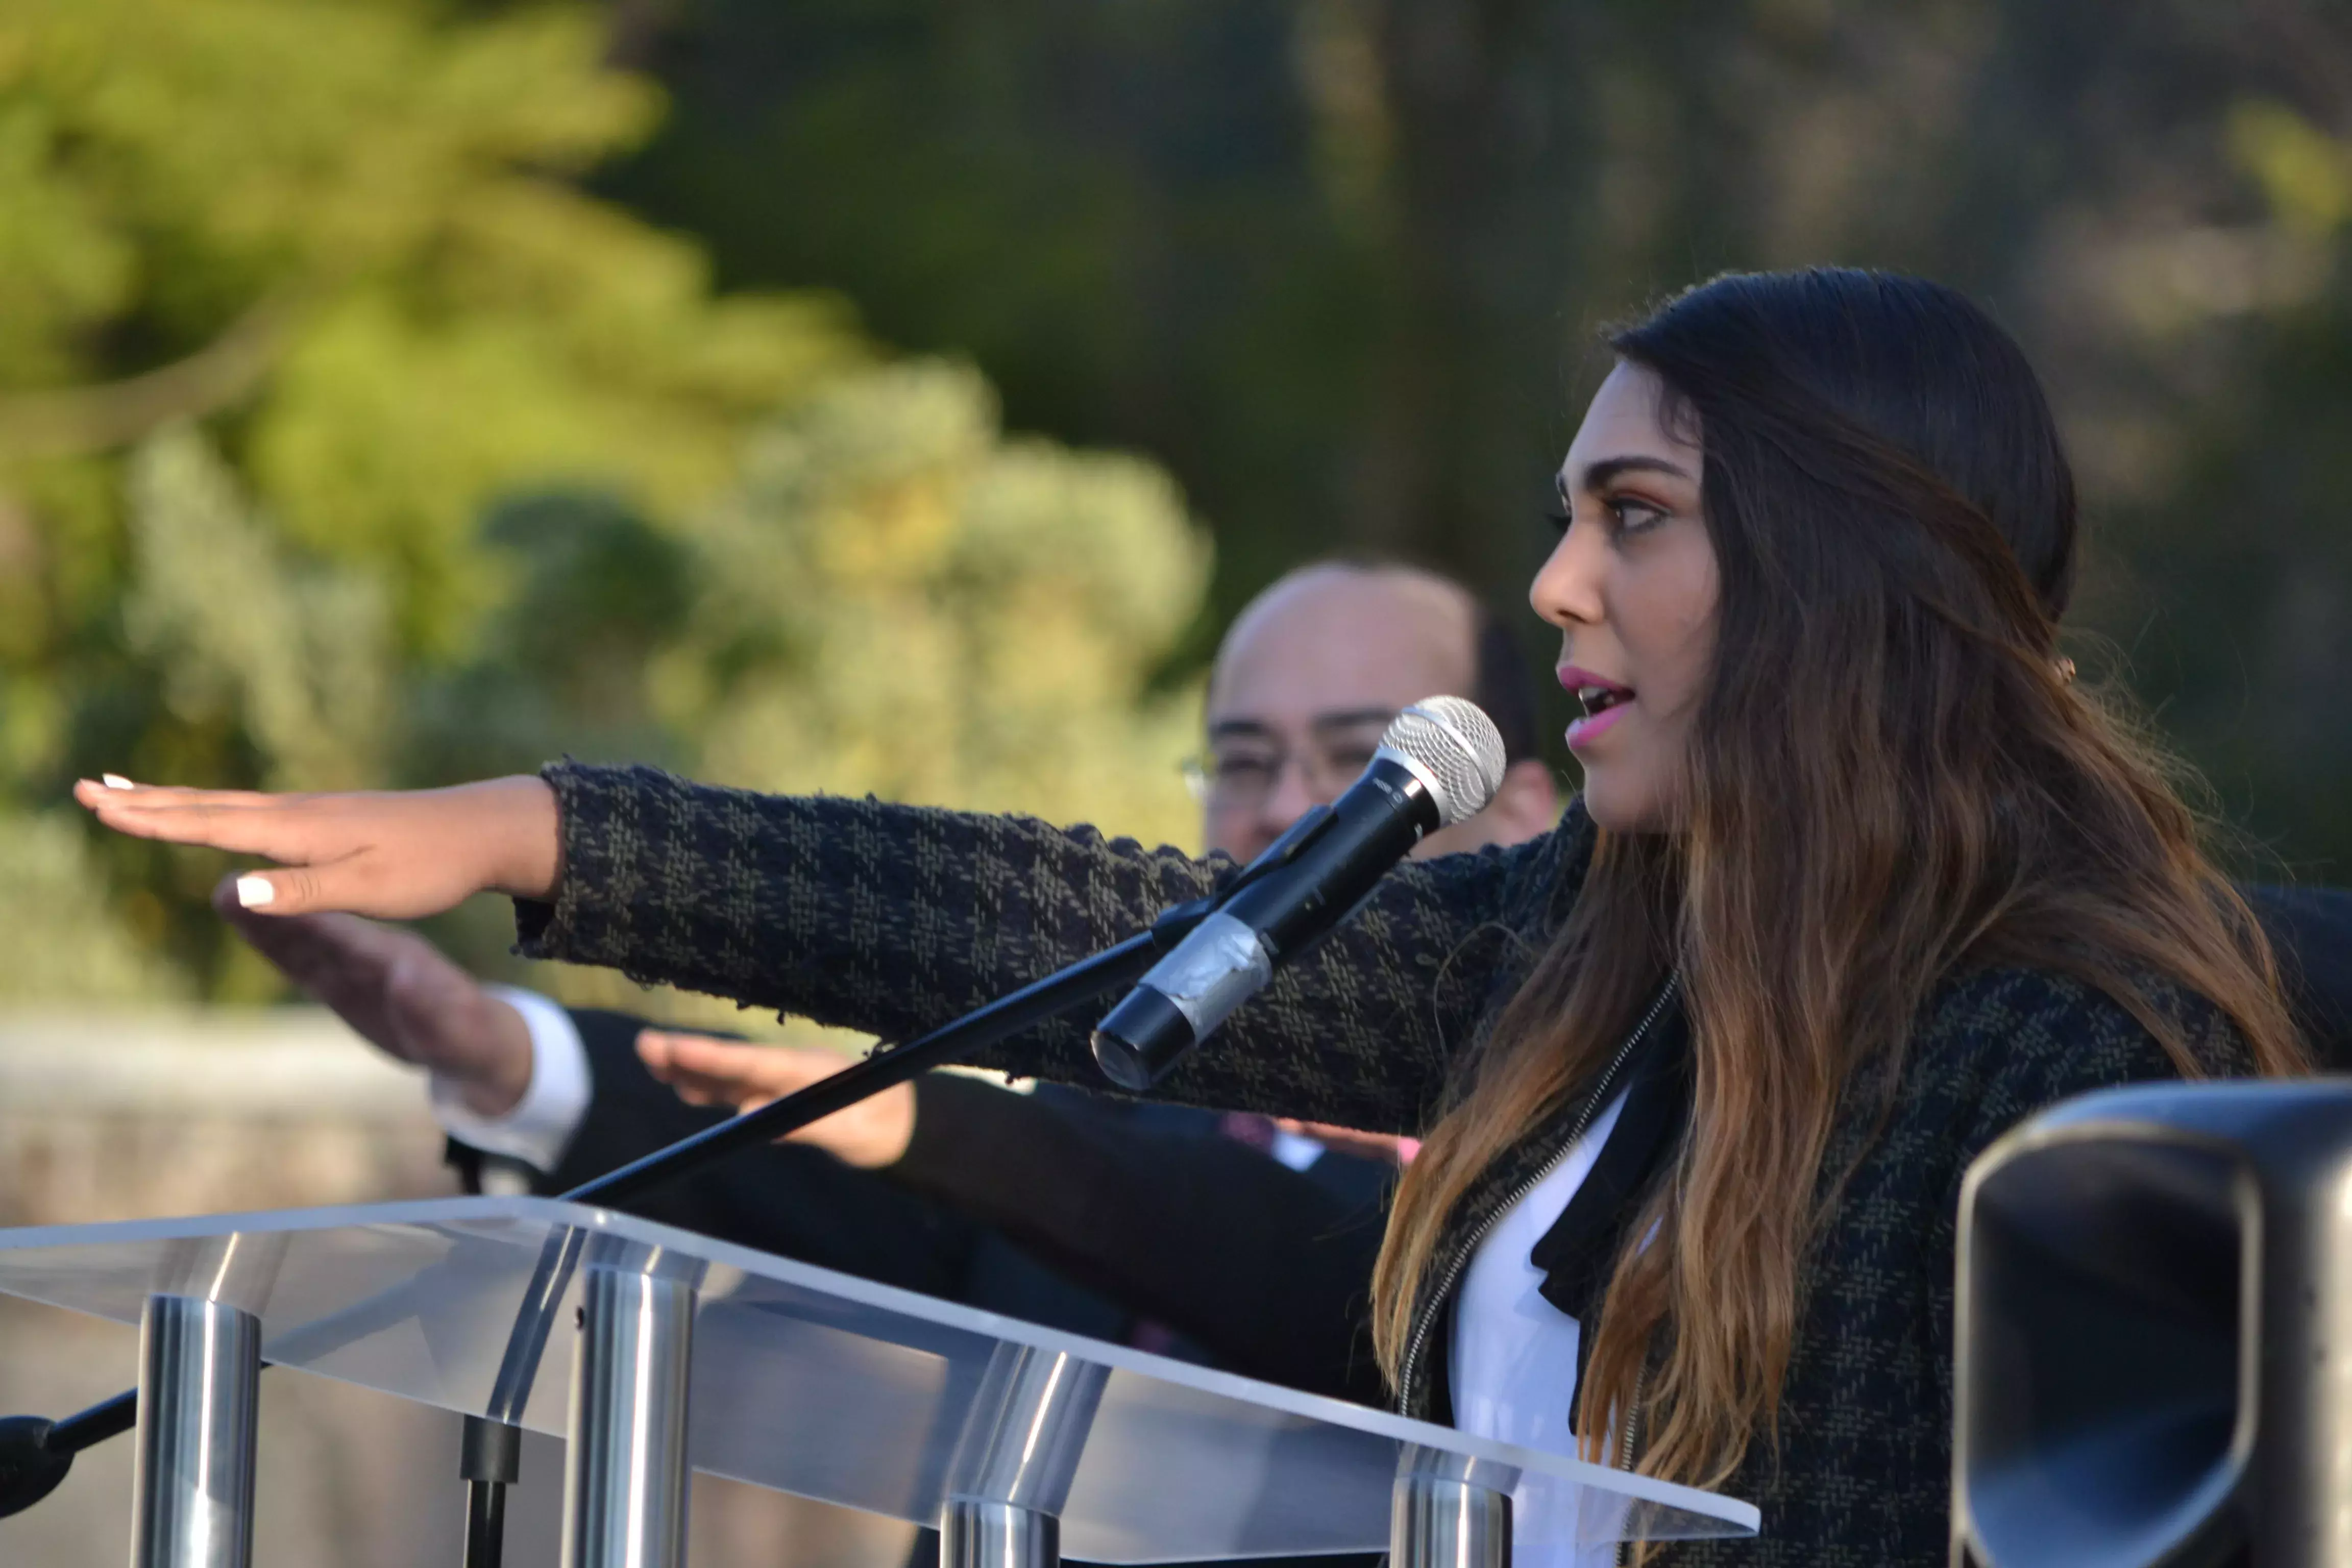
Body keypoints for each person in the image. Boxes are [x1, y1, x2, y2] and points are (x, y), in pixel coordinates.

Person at [76, 268, 2321, 1566]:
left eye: (1634, 516)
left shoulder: (2063, 1049)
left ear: (1854, 572)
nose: (1554, 586)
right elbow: (1061, 927)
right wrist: (549, 836)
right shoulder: (1601, 954)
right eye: (1564, 518)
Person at [208, 558, 1559, 1403]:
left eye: (1361, 769)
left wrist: (956, 1132)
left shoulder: (1581, 1137)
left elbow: (1310, 1288)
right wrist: (505, 1056)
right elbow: (867, 1178)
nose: (1287, 814)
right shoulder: (1125, 1077)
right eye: (1246, 762)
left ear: (1519, 820)